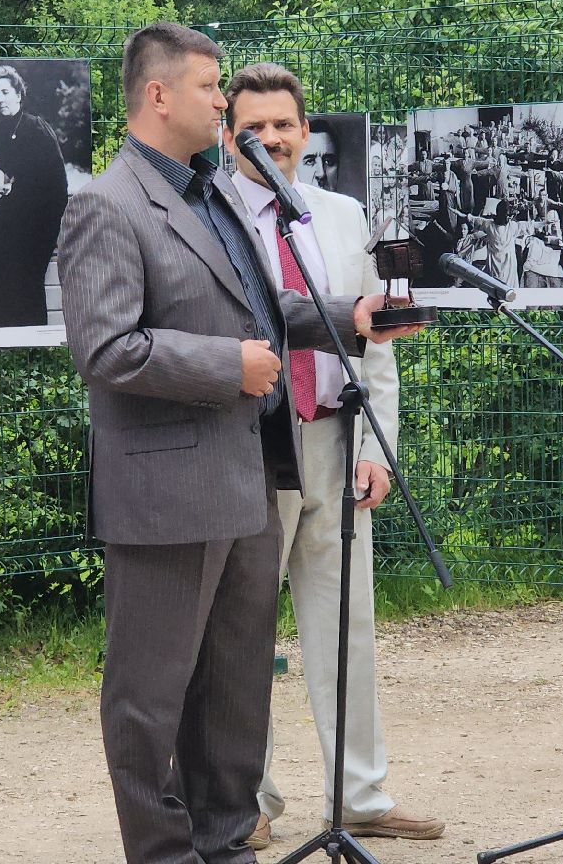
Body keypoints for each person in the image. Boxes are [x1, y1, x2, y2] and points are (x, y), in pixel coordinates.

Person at [57, 24, 420, 864]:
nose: (223, 104)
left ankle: (227, 846)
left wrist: (345, 320)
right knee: (149, 701)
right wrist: (229, 366)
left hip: (248, 481)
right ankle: (162, 853)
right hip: (164, 498)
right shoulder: (105, 205)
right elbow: (105, 351)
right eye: (209, 88)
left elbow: (258, 313)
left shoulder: (210, 194)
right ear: (157, 95)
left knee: (234, 691)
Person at [221, 64, 444, 850]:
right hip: (253, 449)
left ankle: (360, 795)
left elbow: (374, 338)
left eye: (286, 124)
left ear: (306, 132)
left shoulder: (345, 217)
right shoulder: (210, 216)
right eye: (256, 126)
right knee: (244, 631)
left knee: (346, 624)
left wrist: (380, 443)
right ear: (228, 134)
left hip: (339, 439)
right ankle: (246, 800)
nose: (273, 139)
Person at [0, 64, 70, 329]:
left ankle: (24, 326)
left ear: (19, 94)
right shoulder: (4, 128)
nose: (1, 99)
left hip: (45, 208)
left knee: (17, 256)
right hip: (21, 201)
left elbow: (56, 181)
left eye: (6, 92)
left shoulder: (34, 127)